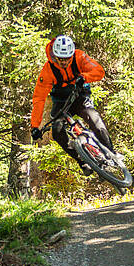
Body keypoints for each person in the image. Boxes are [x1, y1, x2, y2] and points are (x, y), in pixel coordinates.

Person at [29, 35, 121, 175]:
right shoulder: (48, 69)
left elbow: (99, 71)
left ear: (72, 54)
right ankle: (82, 161)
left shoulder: (79, 57)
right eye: (61, 59)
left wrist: (84, 77)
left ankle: (111, 153)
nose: (64, 62)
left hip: (80, 94)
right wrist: (35, 126)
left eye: (67, 59)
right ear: (55, 56)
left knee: (94, 118)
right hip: (61, 101)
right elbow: (39, 98)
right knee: (57, 131)